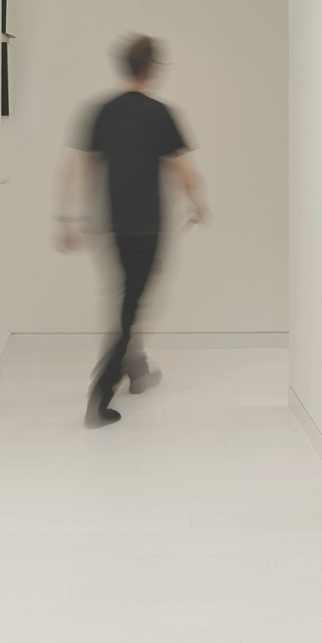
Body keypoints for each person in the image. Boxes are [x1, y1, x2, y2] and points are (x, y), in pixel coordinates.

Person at [56, 33, 208, 426]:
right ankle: (100, 393)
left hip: (112, 228)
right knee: (130, 308)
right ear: (151, 68)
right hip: (147, 228)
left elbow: (80, 166)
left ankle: (137, 371)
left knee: (128, 297)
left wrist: (70, 220)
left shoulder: (101, 111)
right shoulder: (160, 113)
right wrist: (197, 202)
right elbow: (181, 169)